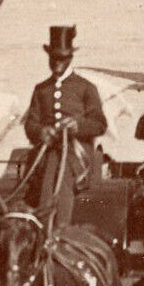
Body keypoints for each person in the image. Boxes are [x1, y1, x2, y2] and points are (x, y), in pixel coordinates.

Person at [22, 25, 107, 227]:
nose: (57, 63)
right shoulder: (41, 89)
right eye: (53, 58)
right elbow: (30, 124)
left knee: (60, 165)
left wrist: (78, 126)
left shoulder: (86, 88)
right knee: (50, 161)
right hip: (45, 150)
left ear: (70, 58)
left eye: (62, 58)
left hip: (77, 153)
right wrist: (42, 132)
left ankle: (58, 229)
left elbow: (99, 124)